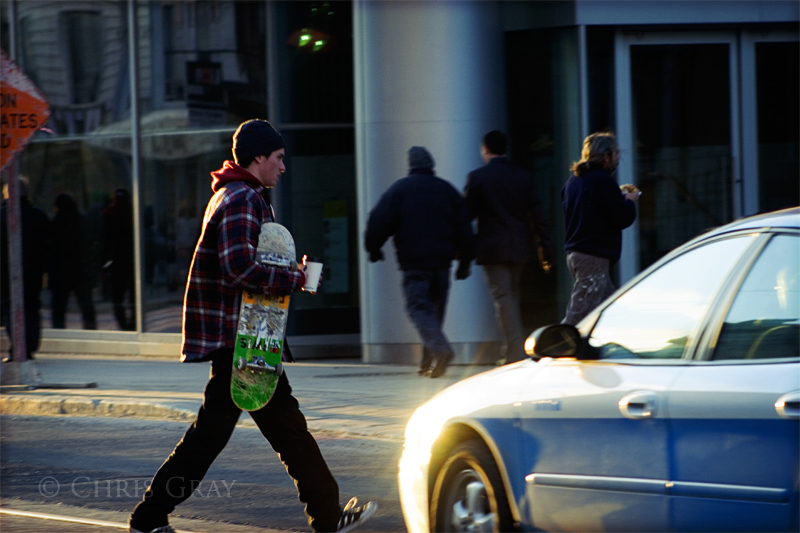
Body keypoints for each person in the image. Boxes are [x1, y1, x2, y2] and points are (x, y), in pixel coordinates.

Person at [128, 119, 376, 533]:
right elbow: (239, 268)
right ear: (258, 157)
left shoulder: (239, 194)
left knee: (243, 435)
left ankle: (150, 518)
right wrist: (296, 279)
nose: (283, 167)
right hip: (240, 340)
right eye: (278, 158)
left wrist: (284, 269)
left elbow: (246, 263)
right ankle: (327, 517)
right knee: (263, 435)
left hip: (247, 338)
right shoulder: (241, 199)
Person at [364, 146, 474, 378]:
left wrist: (374, 249)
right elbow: (464, 228)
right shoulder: (446, 190)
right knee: (434, 312)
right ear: (430, 165)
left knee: (418, 308)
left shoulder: (400, 190)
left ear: (411, 165)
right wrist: (465, 262)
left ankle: (441, 351)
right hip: (442, 263)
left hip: (414, 263)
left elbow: (378, 221)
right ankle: (428, 362)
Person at [464, 130, 556, 365]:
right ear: (505, 149)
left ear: (485, 150)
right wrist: (545, 247)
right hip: (518, 248)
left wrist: (464, 248)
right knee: (510, 297)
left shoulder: (477, 177)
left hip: (492, 249)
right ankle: (512, 348)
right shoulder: (522, 177)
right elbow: (537, 215)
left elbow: (465, 215)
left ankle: (515, 352)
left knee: (504, 298)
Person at [561, 132, 639, 325]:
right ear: (606, 157)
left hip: (576, 254)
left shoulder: (573, 181)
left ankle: (606, 352)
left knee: (609, 313)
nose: (619, 157)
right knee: (577, 317)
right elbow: (622, 218)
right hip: (593, 258)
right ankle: (553, 349)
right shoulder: (603, 182)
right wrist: (629, 201)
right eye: (616, 153)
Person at [0, 176, 50, 362]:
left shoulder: (2, 216)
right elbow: (48, 246)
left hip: (6, 273)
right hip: (33, 272)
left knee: (11, 309)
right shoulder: (38, 215)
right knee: (31, 307)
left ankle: (19, 349)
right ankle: (28, 347)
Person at [50, 193, 97, 330]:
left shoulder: (56, 223)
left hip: (61, 272)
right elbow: (89, 245)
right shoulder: (81, 221)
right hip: (79, 271)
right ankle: (90, 331)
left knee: (59, 307)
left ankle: (59, 333)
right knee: (86, 305)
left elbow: (50, 248)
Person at [102, 188, 136, 331]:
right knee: (132, 296)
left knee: (118, 297)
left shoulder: (109, 213)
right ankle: (132, 324)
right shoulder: (133, 213)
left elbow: (104, 240)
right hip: (132, 260)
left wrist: (103, 261)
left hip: (117, 260)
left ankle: (124, 325)